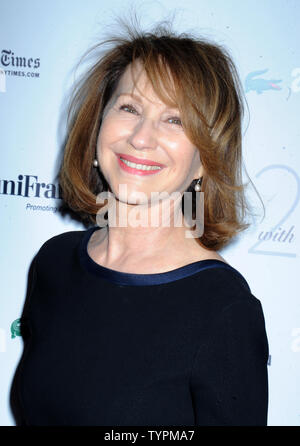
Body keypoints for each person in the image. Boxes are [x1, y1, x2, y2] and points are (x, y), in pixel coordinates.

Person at [11, 21, 269, 426]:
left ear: (206, 158)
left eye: (175, 120)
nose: (141, 137)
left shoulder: (223, 309)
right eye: (129, 108)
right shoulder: (53, 263)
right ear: (100, 122)